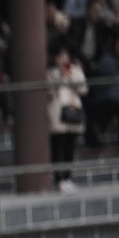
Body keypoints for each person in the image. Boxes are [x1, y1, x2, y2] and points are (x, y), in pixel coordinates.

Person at [48, 43, 88, 192]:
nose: (63, 59)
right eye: (60, 56)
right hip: (57, 113)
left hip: (73, 111)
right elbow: (49, 92)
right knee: (58, 146)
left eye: (65, 56)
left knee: (70, 147)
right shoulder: (50, 73)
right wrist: (60, 78)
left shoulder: (75, 70)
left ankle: (67, 177)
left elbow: (83, 89)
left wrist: (72, 76)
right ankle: (57, 177)